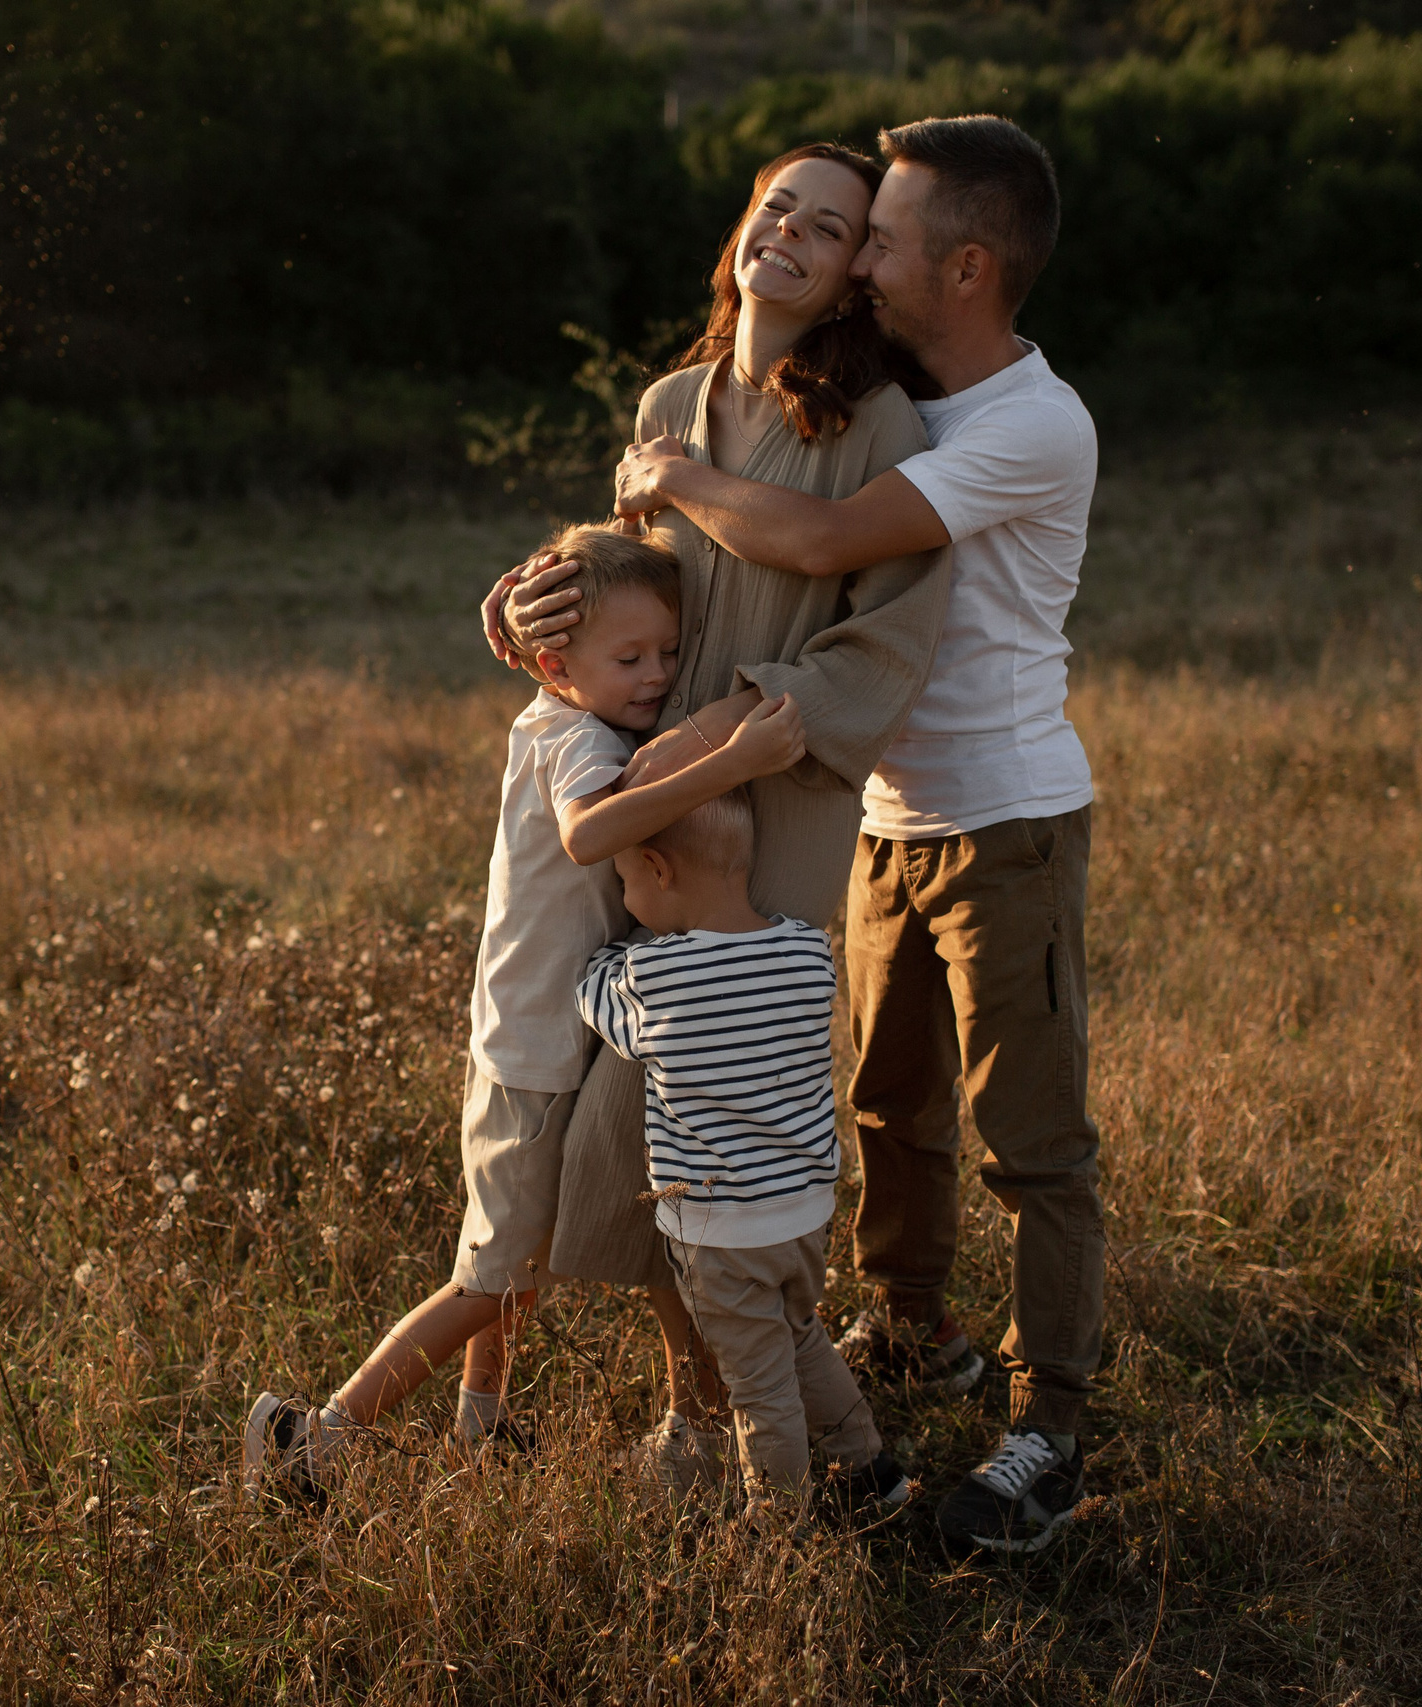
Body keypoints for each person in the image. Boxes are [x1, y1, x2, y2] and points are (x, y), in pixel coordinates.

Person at [587, 113, 1106, 1556]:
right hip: (874, 811)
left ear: (971, 265)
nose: (859, 256)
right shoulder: (899, 397)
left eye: (883, 238)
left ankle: (1049, 1423)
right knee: (887, 1110)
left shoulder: (1025, 422)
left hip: (1006, 812)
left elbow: (820, 546)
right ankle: (913, 1326)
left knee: (1035, 1143)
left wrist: (669, 471)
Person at [479, 141, 953, 1482]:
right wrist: (522, 610)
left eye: (830, 227)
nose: (791, 235)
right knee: (639, 1125)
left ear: (859, 268)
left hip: (777, 812)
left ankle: (766, 1433)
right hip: (646, 822)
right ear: (742, 229)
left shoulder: (877, 431)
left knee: (726, 1129)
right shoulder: (671, 402)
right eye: (774, 208)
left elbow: (891, 639)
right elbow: (614, 590)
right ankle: (707, 1408)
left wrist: (737, 721)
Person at [245, 524, 803, 1500]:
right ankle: (321, 1434)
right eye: (628, 658)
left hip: (536, 1034)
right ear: (554, 660)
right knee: (493, 1274)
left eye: (667, 654)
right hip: (536, 1052)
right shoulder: (581, 741)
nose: (654, 676)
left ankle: (483, 1417)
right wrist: (731, 757)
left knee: (516, 1256)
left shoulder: (548, 715)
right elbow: (590, 832)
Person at [577, 785, 909, 1523]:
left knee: (758, 1386)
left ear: (661, 870)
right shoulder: (803, 947)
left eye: (626, 880)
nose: (625, 898)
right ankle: (869, 1465)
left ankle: (777, 1526)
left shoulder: (654, 978)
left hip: (723, 1234)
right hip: (803, 1214)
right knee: (799, 1340)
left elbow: (591, 990)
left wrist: (611, 954)